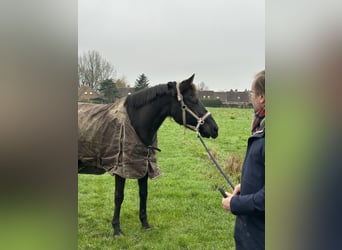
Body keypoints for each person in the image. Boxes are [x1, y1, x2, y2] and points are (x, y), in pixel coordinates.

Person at [222, 70, 265, 250]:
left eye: (252, 93)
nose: (250, 98)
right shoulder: (262, 128)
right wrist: (245, 186)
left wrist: (236, 203)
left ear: (262, 97)